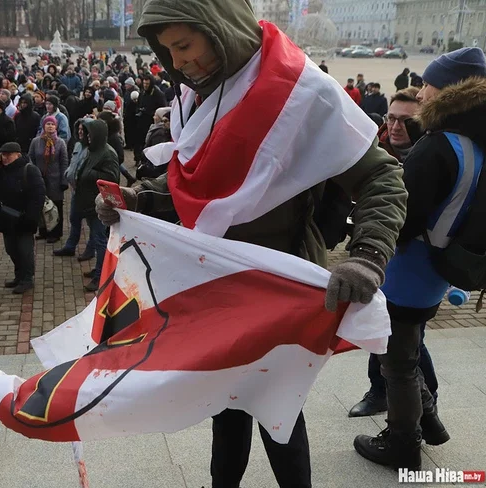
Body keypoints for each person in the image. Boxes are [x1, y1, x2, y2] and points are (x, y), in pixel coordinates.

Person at [97, 4, 408, 486]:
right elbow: (201, 185)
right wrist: (141, 199)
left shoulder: (305, 91)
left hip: (280, 289)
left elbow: (383, 178)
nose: (177, 62)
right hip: (219, 285)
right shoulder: (200, 96)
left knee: (278, 415)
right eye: (167, 50)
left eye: (184, 45)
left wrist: (367, 257)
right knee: (226, 408)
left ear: (219, 31)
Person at [354, 46, 486, 470]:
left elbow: (403, 216)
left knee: (397, 362)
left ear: (447, 90)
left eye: (428, 84)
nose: (422, 91)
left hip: (408, 269)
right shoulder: (473, 142)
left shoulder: (437, 146)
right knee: (407, 352)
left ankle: (402, 444)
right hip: (438, 268)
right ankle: (428, 421)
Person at [350, 86, 438, 418]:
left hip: (412, 267)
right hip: (383, 261)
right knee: (381, 329)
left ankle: (427, 403)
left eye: (406, 120)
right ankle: (379, 392)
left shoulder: (429, 157)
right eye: (391, 118)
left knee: (408, 341)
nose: (396, 126)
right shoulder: (378, 149)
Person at [0, 142, 45, 294]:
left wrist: (31, 218)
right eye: (3, 155)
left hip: (24, 219)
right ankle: (19, 275)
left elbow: (38, 195)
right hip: (6, 218)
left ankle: (27, 279)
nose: (5, 158)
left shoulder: (29, 170)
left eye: (9, 155)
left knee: (25, 251)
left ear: (18, 155)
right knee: (11, 249)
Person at [76, 118, 121, 292]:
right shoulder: (93, 150)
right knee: (95, 238)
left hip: (100, 204)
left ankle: (101, 276)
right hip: (88, 202)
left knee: (100, 240)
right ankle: (98, 268)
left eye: (90, 133)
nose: (87, 136)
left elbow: (112, 178)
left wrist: (90, 173)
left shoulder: (108, 153)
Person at [54, 120, 96, 261]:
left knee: (92, 223)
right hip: (75, 191)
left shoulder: (94, 148)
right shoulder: (78, 145)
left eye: (83, 129)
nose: (80, 132)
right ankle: (70, 246)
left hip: (88, 193)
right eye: (79, 129)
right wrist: (68, 174)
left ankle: (90, 250)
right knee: (74, 218)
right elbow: (73, 163)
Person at [29, 116, 69, 243]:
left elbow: (64, 162)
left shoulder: (60, 143)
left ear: (56, 126)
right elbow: (31, 158)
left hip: (55, 180)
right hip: (39, 179)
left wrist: (64, 180)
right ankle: (43, 231)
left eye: (52, 124)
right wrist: (33, 174)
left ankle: (55, 233)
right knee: (41, 205)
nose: (50, 126)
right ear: (43, 126)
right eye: (48, 124)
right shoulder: (36, 141)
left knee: (56, 206)